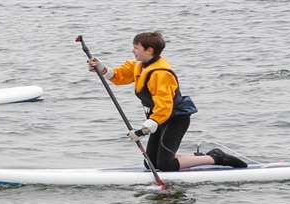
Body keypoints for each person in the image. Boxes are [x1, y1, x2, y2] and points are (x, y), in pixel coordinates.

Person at [88, 32, 246, 172]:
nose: (133, 50)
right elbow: (118, 76)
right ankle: (199, 156)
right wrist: (100, 67)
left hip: (176, 119)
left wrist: (142, 131)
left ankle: (217, 158)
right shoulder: (140, 66)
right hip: (160, 119)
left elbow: (164, 107)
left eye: (136, 48)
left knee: (165, 165)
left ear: (149, 50)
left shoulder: (161, 74)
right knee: (150, 163)